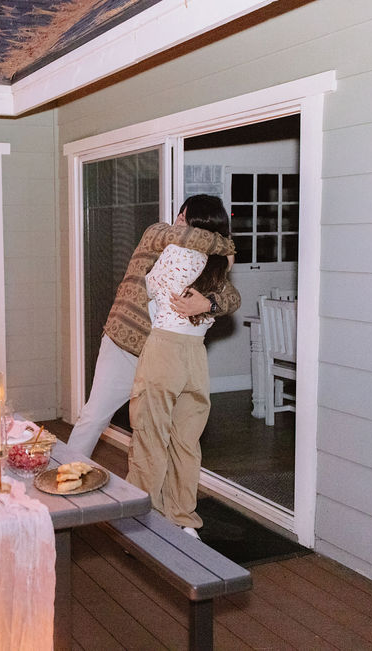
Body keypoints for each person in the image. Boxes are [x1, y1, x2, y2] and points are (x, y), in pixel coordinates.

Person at [66, 208, 239, 458]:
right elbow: (189, 237)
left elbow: (233, 298)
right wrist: (227, 247)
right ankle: (67, 476)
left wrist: (208, 304)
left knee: (157, 432)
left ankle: (151, 493)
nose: (181, 223)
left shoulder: (202, 263)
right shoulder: (156, 234)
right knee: (94, 416)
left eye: (189, 221)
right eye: (181, 216)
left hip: (163, 356)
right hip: (123, 346)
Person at [126, 195, 233, 537]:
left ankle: (142, 516)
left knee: (149, 434)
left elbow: (150, 287)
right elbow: (228, 299)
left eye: (180, 216)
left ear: (187, 219)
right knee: (187, 442)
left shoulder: (176, 252)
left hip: (164, 349)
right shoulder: (219, 266)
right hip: (196, 356)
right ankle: (184, 519)